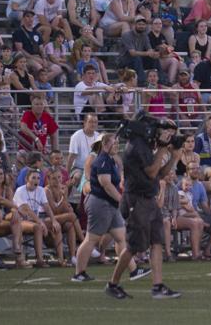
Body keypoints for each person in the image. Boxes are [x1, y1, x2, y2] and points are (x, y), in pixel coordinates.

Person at [106, 116, 182, 300]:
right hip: (136, 201)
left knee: (157, 241)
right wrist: (163, 148)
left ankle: (157, 286)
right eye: (156, 129)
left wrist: (174, 158)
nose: (158, 133)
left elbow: (160, 174)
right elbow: (151, 171)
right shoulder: (136, 146)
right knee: (133, 246)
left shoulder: (144, 145)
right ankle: (112, 284)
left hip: (148, 198)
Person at [73, 132, 132, 282]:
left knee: (121, 237)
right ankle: (79, 273)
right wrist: (121, 200)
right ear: (105, 144)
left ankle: (134, 270)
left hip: (109, 204)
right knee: (91, 240)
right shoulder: (103, 160)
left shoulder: (109, 160)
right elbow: (106, 185)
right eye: (114, 143)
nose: (117, 146)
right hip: (100, 203)